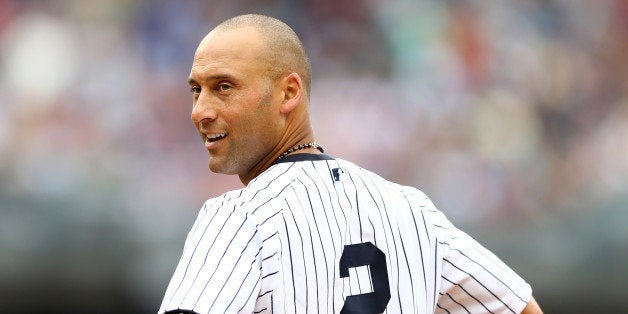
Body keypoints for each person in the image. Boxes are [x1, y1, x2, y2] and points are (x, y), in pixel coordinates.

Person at [158, 14, 543, 314]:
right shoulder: (413, 212)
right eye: (196, 90)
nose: (200, 111)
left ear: (288, 92)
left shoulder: (237, 216)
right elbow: (520, 307)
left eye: (224, 87)